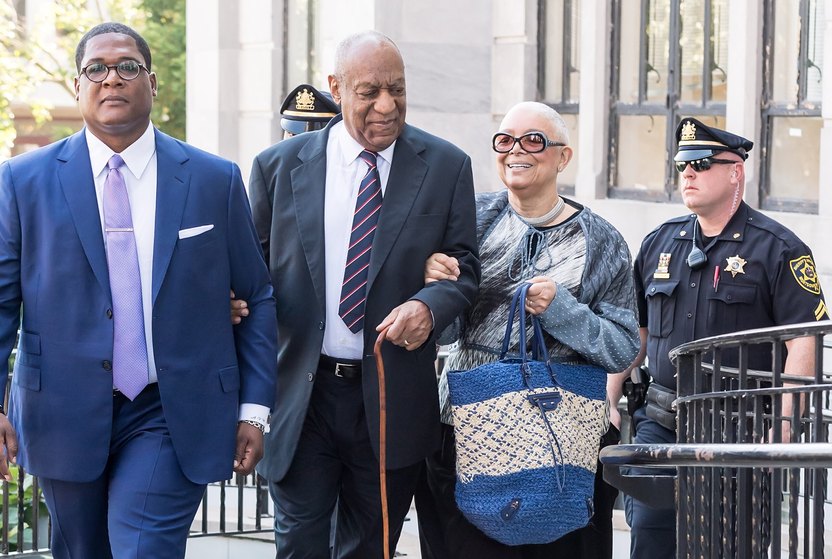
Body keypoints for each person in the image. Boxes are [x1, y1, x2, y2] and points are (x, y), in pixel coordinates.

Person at [0, 22, 277, 558]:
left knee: (145, 548)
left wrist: (254, 410)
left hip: (170, 410)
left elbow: (257, 295)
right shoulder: (22, 180)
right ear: (77, 87)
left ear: (152, 82)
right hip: (61, 409)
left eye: (127, 67)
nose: (112, 79)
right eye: (95, 69)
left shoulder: (212, 178)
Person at [248, 30, 480, 558]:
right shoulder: (277, 168)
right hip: (302, 400)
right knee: (300, 547)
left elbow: (465, 271)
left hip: (389, 399)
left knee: (368, 549)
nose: (386, 105)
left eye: (397, 89)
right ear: (336, 86)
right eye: (369, 91)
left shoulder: (446, 166)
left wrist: (428, 304)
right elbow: (251, 278)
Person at [421, 101, 640, 558]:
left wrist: (563, 310)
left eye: (534, 140)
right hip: (467, 429)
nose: (516, 150)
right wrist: (435, 290)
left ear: (563, 157)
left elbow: (622, 348)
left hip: (563, 437)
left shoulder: (600, 239)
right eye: (505, 140)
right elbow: (442, 335)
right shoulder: (471, 220)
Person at [624, 117, 829, 558]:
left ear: (735, 171)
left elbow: (803, 341)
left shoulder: (780, 248)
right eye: (682, 165)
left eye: (700, 164)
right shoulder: (660, 243)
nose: (688, 174)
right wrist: (608, 398)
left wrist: (788, 422)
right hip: (662, 425)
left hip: (742, 431)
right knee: (650, 537)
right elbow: (635, 332)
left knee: (733, 546)